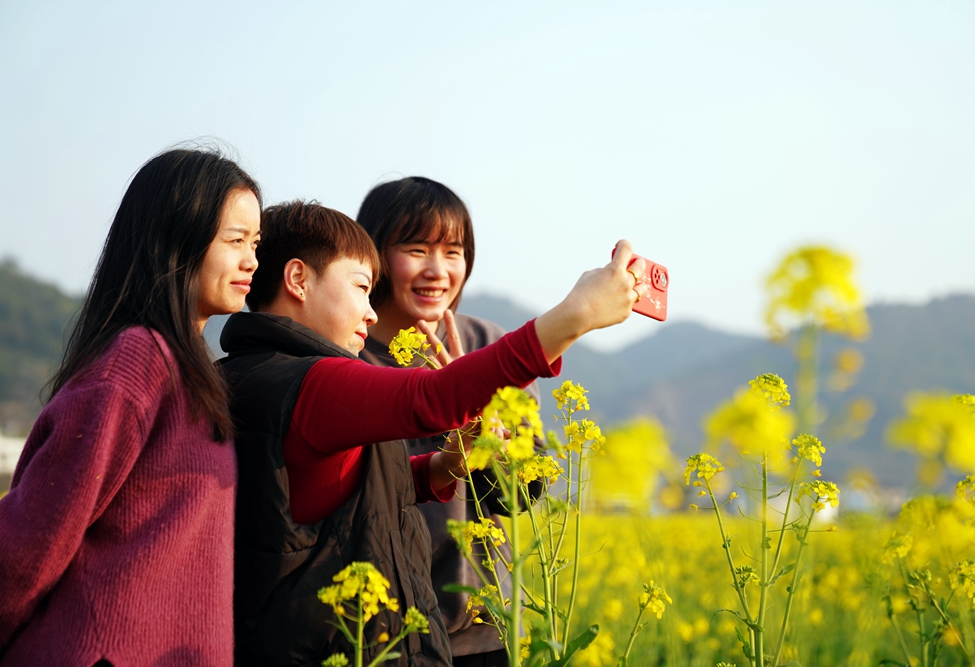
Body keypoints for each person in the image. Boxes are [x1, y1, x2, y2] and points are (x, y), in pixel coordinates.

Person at [219, 201, 647, 667]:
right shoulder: (313, 382)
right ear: (298, 280)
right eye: (362, 288)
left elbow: (333, 491)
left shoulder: (251, 371)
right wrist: (575, 316)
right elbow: (434, 397)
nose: (368, 312)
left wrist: (440, 468)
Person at [0, 148, 262, 666]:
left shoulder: (193, 373)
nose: (252, 260)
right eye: (235, 241)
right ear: (175, 240)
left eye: (255, 243)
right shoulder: (138, 360)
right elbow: (31, 545)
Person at [356, 177, 532, 666]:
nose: (438, 271)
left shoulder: (494, 348)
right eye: (416, 249)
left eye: (454, 252)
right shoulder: (349, 361)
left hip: (482, 634)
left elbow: (519, 496)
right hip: (383, 634)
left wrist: (477, 412)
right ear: (374, 256)